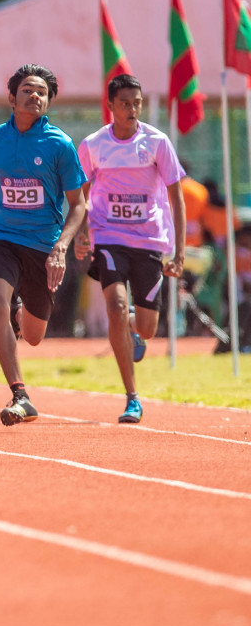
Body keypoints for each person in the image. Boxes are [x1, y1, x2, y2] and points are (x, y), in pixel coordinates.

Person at [0, 64, 87, 426]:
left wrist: (61, 248)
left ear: (48, 101)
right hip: (1, 238)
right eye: (27, 90)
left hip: (43, 245)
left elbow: (78, 205)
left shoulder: (59, 144)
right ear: (12, 97)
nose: (35, 96)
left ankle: (22, 309)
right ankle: (20, 394)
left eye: (42, 92)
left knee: (36, 337)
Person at [74, 74, 187, 424]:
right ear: (110, 106)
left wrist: (179, 250)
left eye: (136, 102)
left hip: (149, 242)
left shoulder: (157, 142)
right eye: (125, 103)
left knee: (149, 328)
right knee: (116, 305)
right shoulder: (93, 145)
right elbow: (78, 192)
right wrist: (79, 233)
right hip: (108, 236)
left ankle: (134, 328)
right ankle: (132, 397)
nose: (133, 109)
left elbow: (176, 197)